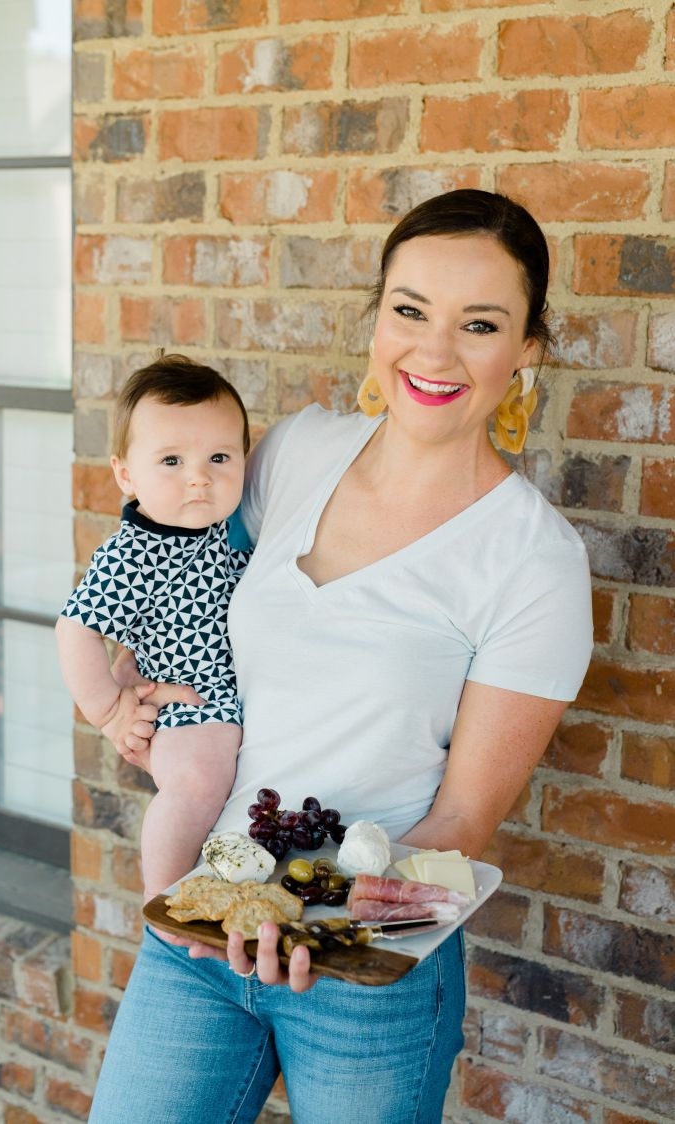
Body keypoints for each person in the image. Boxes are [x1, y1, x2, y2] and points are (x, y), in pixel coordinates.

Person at [87, 190, 593, 1124]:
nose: (433, 354)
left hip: (370, 968)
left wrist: (310, 918)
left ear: (527, 350)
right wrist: (118, 689)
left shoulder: (535, 562)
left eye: (479, 325)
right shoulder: (293, 453)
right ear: (378, 320)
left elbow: (463, 820)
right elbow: (171, 575)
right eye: (410, 312)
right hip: (200, 923)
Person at [56, 355, 251, 901]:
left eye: (219, 457)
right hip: (191, 701)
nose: (199, 477)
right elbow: (75, 629)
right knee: (197, 785)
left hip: (229, 693)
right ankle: (163, 899)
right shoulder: (136, 553)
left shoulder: (221, 524)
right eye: (171, 460)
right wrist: (111, 711)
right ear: (126, 474)